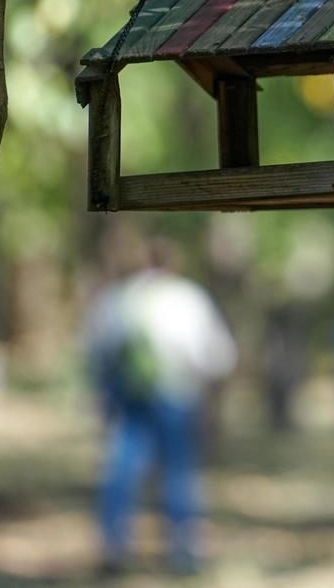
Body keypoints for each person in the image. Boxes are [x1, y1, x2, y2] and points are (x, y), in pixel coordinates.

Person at [83, 241, 237, 574]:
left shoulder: (117, 297)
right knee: (179, 470)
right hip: (177, 394)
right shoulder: (186, 297)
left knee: (122, 469)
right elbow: (218, 355)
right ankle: (184, 549)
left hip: (129, 397)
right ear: (172, 264)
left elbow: (94, 348)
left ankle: (114, 544)